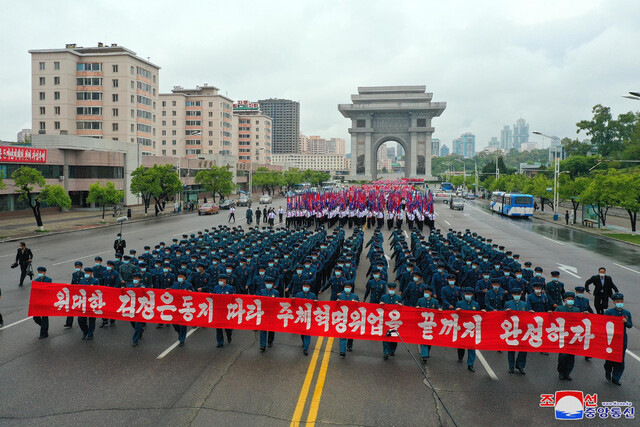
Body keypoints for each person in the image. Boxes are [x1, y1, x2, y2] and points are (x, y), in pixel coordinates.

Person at [604, 293, 632, 386]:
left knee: (620, 359)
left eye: (621, 301)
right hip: (611, 338)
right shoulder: (609, 312)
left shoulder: (627, 313)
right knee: (610, 358)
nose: (620, 303)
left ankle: (616, 378)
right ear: (614, 302)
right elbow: (603, 324)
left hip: (622, 339)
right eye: (618, 301)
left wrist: (626, 322)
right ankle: (608, 370)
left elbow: (630, 325)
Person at [504, 288, 533, 374]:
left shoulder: (524, 304)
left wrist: (531, 312)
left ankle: (520, 365)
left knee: (523, 349)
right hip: (512, 330)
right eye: (515, 294)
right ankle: (511, 367)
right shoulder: (508, 303)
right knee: (511, 349)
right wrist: (506, 312)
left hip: (522, 330)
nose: (517, 296)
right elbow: (502, 315)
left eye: (518, 294)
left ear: (520, 295)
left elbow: (528, 313)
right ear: (512, 295)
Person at [556, 292, 581, 380]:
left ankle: (568, 373)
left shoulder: (577, 310)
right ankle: (561, 372)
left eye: (572, 299)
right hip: (563, 335)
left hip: (573, 336)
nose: (570, 301)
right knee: (563, 356)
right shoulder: (560, 308)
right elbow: (554, 320)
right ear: (564, 300)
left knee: (571, 356)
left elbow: (580, 321)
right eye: (568, 299)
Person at [456, 287, 482, 372]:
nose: (468, 296)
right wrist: (457, 311)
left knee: (471, 347)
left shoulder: (476, 304)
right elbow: (454, 315)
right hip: (462, 328)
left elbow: (479, 315)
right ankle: (460, 356)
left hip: (472, 329)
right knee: (461, 345)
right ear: (464, 295)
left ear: (472, 295)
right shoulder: (459, 303)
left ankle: (470, 364)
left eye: (469, 294)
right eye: (466, 294)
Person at [416, 286, 441, 364]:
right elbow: (416, 309)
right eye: (425, 292)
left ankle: (426, 352)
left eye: (427, 292)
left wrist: (439, 310)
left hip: (431, 324)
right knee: (423, 339)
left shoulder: (435, 302)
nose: (426, 293)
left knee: (429, 340)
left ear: (431, 293)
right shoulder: (420, 300)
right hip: (422, 323)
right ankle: (424, 355)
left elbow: (438, 309)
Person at [380, 283, 402, 360]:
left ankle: (392, 350)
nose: (391, 290)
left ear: (395, 289)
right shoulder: (384, 297)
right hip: (386, 319)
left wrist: (400, 305)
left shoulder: (398, 298)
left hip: (395, 321)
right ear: (388, 289)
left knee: (394, 336)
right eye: (390, 289)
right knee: (385, 336)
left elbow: (402, 309)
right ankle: (385, 352)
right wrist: (381, 304)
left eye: (393, 289)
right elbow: (379, 307)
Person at [171, 271, 193, 347]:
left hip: (184, 307)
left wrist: (191, 292)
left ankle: (182, 339)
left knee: (183, 324)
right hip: (176, 306)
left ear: (185, 277)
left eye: (181, 276)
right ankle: (179, 333)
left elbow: (193, 295)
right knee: (175, 324)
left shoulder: (188, 285)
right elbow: (171, 292)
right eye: (179, 276)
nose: (180, 278)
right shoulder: (175, 284)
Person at [337, 283, 359, 357]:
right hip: (342, 317)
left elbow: (359, 307)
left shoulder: (355, 296)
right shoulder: (340, 296)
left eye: (348, 287)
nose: (347, 288)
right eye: (346, 287)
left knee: (350, 333)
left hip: (351, 318)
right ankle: (342, 351)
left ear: (351, 288)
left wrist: (357, 303)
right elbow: (336, 306)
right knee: (342, 334)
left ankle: (349, 345)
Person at [295, 282, 317, 355]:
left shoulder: (312, 295)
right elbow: (295, 305)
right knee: (302, 332)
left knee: (307, 332)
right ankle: (304, 342)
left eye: (307, 286)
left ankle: (306, 348)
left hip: (309, 317)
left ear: (309, 287)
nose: (305, 287)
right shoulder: (298, 295)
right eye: (304, 286)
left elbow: (316, 306)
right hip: (301, 316)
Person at [258, 277, 279, 352]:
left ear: (272, 284)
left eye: (270, 283)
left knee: (271, 329)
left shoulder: (275, 292)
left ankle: (270, 341)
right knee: (263, 329)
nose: (268, 285)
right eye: (267, 283)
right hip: (264, 313)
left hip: (272, 313)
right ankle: (262, 345)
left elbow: (278, 303)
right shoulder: (262, 291)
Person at [78, 267, 100, 341]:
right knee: (80, 319)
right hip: (83, 302)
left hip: (92, 302)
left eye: (88, 273)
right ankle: (85, 331)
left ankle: (90, 334)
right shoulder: (82, 280)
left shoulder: (95, 281)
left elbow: (98, 291)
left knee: (91, 319)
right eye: (86, 273)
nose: (86, 274)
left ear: (91, 273)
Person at [213, 274, 234, 348]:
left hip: (226, 310)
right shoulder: (216, 288)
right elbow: (213, 297)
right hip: (218, 310)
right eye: (219, 280)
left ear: (225, 280)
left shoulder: (230, 288)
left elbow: (233, 299)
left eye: (222, 280)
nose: (220, 281)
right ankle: (220, 342)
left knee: (227, 326)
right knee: (218, 327)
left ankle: (229, 334)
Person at [32, 266, 53, 338]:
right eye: (39, 272)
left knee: (44, 317)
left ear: (45, 272)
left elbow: (49, 290)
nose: (40, 273)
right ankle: (44, 326)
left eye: (41, 272)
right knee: (35, 317)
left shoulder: (48, 280)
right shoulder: (36, 280)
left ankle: (44, 333)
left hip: (45, 301)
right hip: (38, 302)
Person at [129, 272, 146, 347]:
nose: (135, 280)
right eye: (134, 278)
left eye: (136, 278)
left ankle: (135, 340)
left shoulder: (142, 286)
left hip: (139, 308)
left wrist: (144, 290)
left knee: (137, 324)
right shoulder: (130, 286)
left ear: (139, 279)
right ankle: (141, 331)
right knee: (132, 322)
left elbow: (146, 294)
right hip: (132, 307)